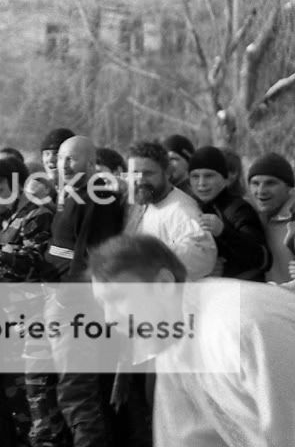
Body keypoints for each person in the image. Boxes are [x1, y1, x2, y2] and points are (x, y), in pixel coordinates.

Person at [89, 234, 295, 447]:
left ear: (164, 284)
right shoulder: (171, 346)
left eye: (117, 298)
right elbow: (184, 439)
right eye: (103, 304)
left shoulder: (239, 327)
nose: (109, 319)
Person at [42, 136, 125, 447]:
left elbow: (92, 254)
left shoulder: (97, 196)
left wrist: (70, 298)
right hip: (61, 297)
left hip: (76, 305)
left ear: (91, 163)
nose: (63, 165)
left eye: (72, 159)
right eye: (61, 158)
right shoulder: (72, 193)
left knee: (77, 390)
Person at [0, 158, 57, 447]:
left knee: (41, 406)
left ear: (16, 186)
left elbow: (39, 261)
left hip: (37, 323)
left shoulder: (37, 215)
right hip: (11, 324)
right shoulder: (1, 219)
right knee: (18, 407)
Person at [125, 141, 217, 280]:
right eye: (135, 174)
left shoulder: (182, 210)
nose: (140, 180)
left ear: (167, 172)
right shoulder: (144, 202)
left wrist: (150, 257)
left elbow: (202, 256)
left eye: (148, 173)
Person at [187, 146, 270, 280]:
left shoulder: (239, 209)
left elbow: (264, 259)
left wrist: (223, 232)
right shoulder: (190, 207)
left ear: (225, 179)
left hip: (244, 290)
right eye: (195, 176)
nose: (201, 183)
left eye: (209, 176)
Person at [246, 153, 295, 284]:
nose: (261, 191)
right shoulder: (249, 214)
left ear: (289, 187)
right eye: (255, 183)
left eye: (270, 183)